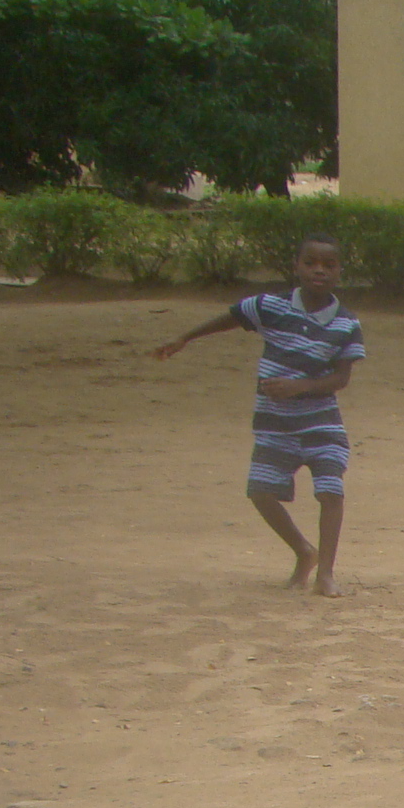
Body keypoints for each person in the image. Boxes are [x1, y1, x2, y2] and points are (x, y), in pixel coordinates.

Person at [151, 234, 365, 596]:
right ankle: (303, 551)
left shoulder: (346, 323)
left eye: (329, 265)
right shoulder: (270, 306)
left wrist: (301, 387)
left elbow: (341, 378)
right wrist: (185, 338)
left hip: (322, 423)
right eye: (310, 262)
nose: (319, 271)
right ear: (296, 266)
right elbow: (231, 318)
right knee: (261, 492)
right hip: (273, 422)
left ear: (339, 272)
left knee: (330, 492)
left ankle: (326, 572)